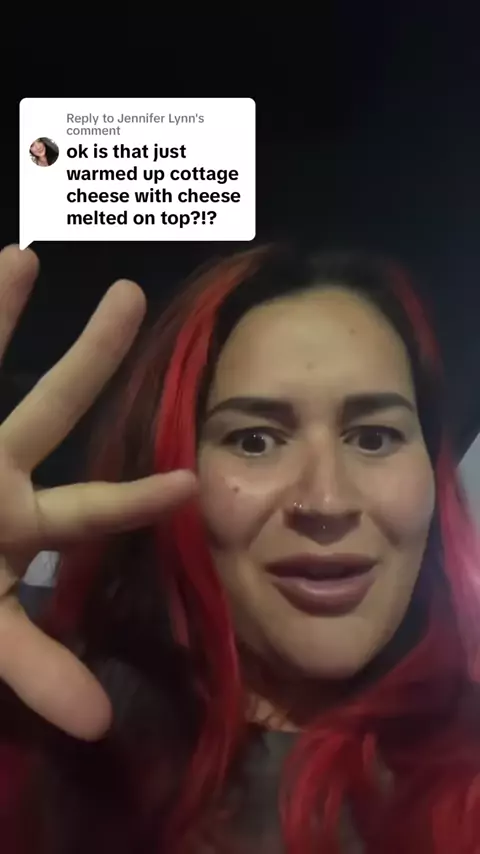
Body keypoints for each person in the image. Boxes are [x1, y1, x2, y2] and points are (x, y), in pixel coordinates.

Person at [0, 243, 479, 853]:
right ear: (172, 463)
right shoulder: (31, 712)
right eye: (255, 441)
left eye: (375, 437)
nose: (326, 502)